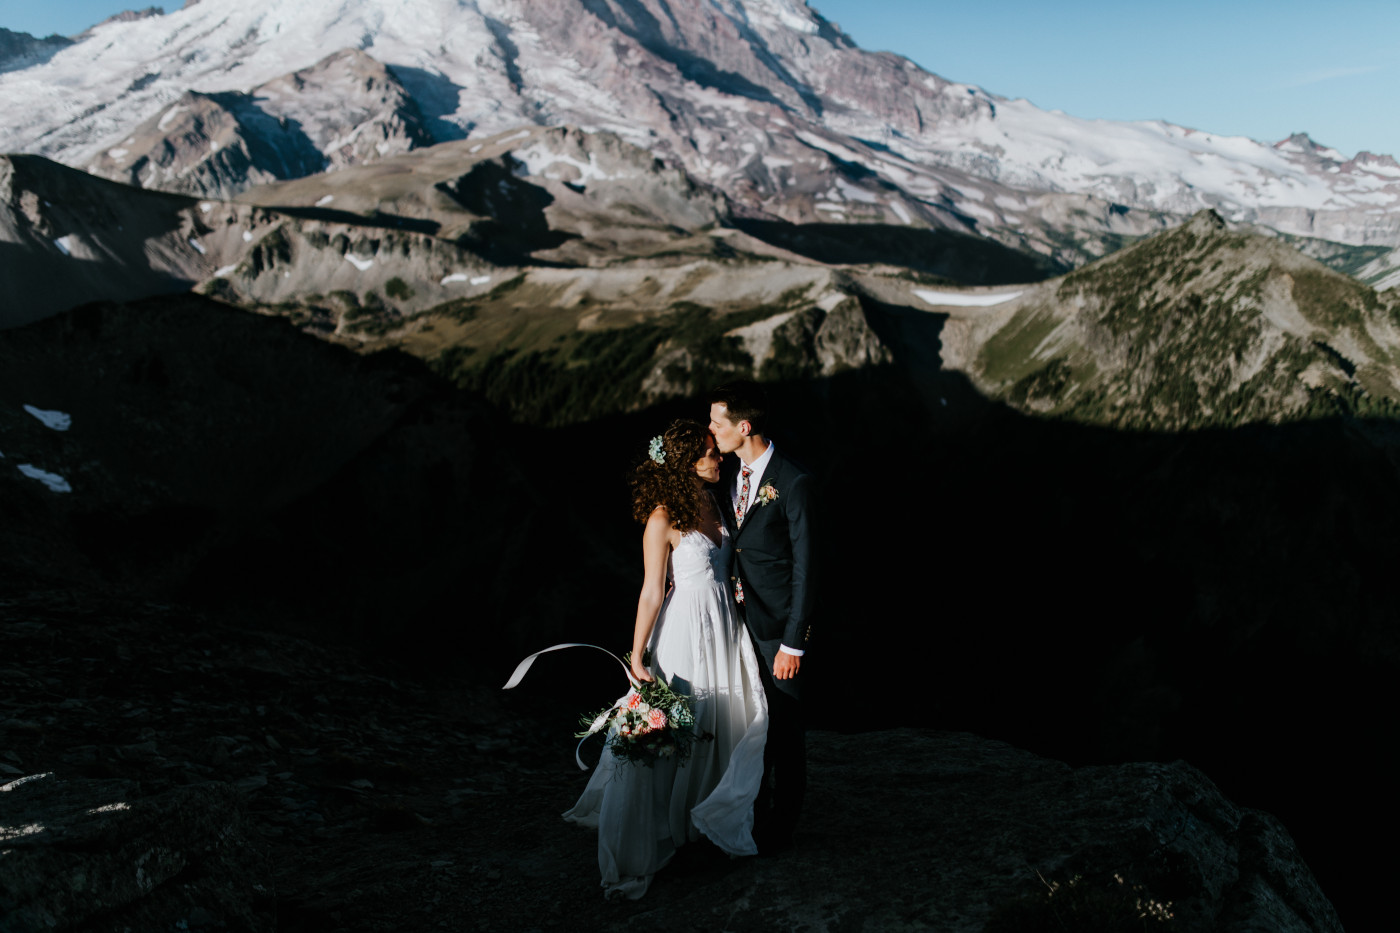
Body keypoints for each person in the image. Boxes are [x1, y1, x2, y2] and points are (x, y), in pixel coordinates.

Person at [563, 419, 769, 899]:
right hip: (684, 634)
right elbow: (652, 592)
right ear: (684, 464)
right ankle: (649, 841)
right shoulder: (662, 519)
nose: (719, 456)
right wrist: (637, 657)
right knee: (676, 735)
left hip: (723, 630)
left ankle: (701, 823)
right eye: (708, 453)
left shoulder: (715, 501)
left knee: (727, 723)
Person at [708, 381, 814, 852]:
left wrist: (794, 642)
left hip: (778, 631)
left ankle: (781, 827)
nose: (711, 431)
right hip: (737, 624)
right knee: (749, 722)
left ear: (743, 427)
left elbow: (809, 568)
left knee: (785, 730)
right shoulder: (730, 476)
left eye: (717, 423)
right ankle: (751, 808)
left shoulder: (793, 481)